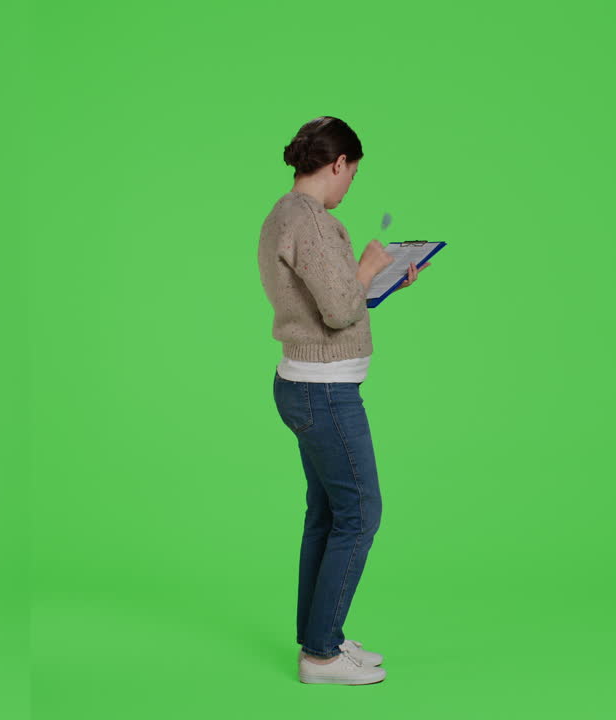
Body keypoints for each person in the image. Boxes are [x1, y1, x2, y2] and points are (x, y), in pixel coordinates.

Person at [257, 116, 427, 685]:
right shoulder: (309, 220)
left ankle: (320, 637)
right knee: (360, 513)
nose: (351, 184)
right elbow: (336, 306)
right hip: (323, 389)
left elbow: (334, 302)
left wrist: (375, 283)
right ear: (338, 164)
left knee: (328, 514)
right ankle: (322, 657)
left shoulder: (288, 214)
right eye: (352, 172)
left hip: (309, 382)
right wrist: (370, 268)